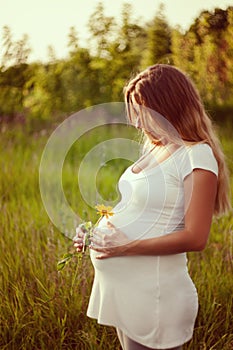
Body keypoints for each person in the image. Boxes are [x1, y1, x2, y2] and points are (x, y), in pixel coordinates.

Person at [73, 64, 231, 350]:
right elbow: (139, 209)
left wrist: (124, 246)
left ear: (167, 107)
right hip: (126, 291)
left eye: (141, 111)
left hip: (154, 296)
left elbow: (196, 238)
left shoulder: (196, 156)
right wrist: (94, 235)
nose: (135, 123)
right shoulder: (155, 148)